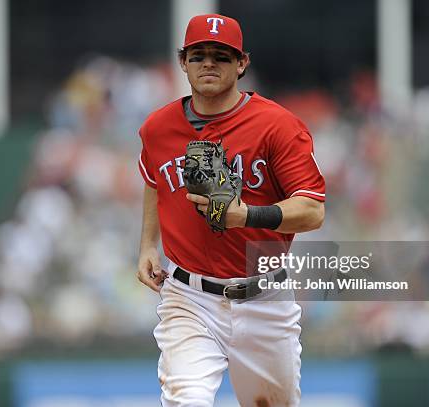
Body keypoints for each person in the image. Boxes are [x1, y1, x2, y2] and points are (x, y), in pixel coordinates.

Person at [136, 13, 325, 407]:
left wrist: (248, 216)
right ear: (182, 61)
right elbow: (154, 181)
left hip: (264, 296)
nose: (209, 63)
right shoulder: (158, 128)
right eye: (198, 54)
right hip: (189, 296)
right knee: (186, 401)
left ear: (242, 64)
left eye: (221, 56)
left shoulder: (277, 125)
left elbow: (311, 210)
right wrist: (147, 245)